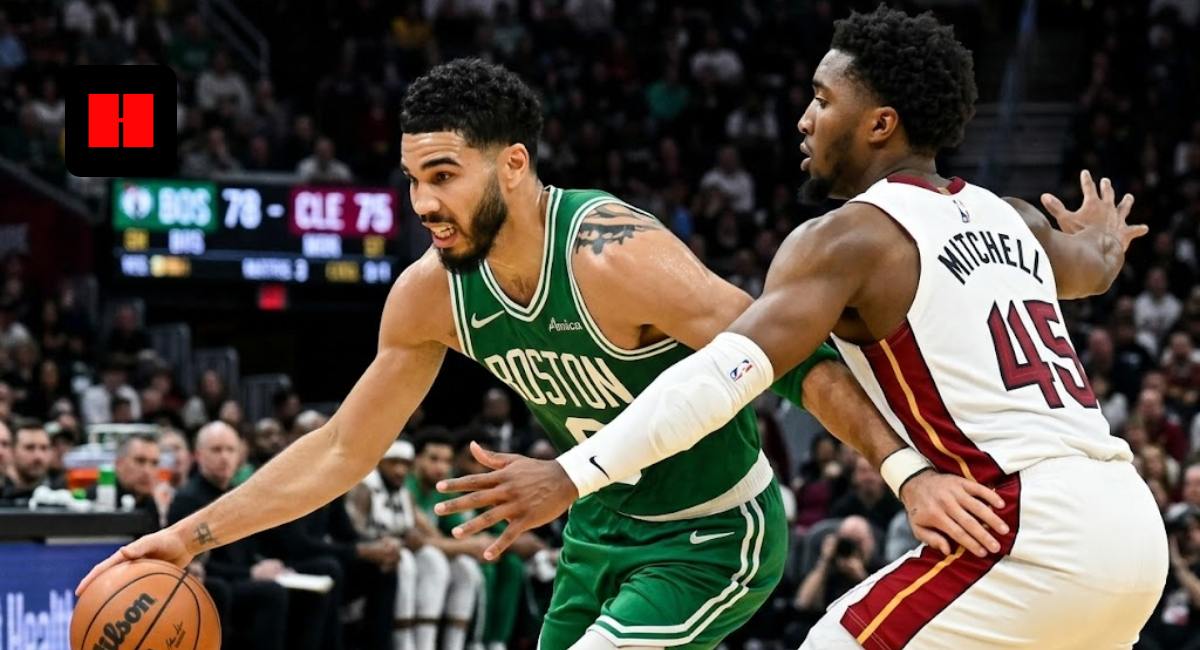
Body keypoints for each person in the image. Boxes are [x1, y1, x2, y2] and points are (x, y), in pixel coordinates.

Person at [80, 58, 1011, 650]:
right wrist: (188, 537)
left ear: (514, 165)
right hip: (593, 536)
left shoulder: (613, 251)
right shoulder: (430, 294)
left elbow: (793, 354)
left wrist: (907, 474)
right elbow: (338, 452)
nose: (423, 202)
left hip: (712, 532)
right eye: (412, 180)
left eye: (443, 175)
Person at [433, 8, 1167, 650]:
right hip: (1132, 528)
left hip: (1024, 529)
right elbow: (1089, 267)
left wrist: (572, 472)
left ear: (881, 123)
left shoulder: (850, 240)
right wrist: (1105, 240)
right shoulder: (1017, 218)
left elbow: (717, 380)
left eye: (822, 99)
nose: (804, 120)